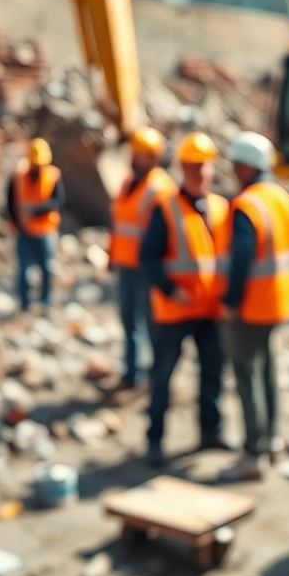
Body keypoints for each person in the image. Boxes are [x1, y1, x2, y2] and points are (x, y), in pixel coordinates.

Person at [137, 132, 234, 467]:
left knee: (212, 373)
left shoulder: (220, 207)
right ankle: (155, 441)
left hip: (209, 310)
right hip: (175, 311)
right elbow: (148, 257)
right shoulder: (166, 208)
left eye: (204, 166)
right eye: (193, 166)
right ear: (182, 169)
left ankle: (211, 431)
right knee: (163, 377)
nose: (199, 173)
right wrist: (170, 289)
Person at [217, 131, 289, 483]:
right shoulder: (282, 198)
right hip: (278, 300)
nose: (233, 170)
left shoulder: (248, 204)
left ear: (246, 166)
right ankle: (272, 440)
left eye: (236, 164)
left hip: (252, 304)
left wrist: (230, 302)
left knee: (247, 375)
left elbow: (242, 257)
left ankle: (253, 453)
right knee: (266, 369)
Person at [108, 127, 176, 394]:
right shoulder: (128, 183)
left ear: (153, 157)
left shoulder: (161, 187)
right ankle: (132, 375)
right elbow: (119, 222)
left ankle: (156, 379)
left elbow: (168, 232)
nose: (136, 158)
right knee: (129, 321)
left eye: (142, 154)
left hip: (148, 268)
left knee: (152, 324)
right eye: (135, 153)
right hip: (126, 264)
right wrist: (111, 254)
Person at [6, 138, 64, 313]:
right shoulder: (18, 176)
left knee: (46, 267)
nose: (38, 168)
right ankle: (24, 304)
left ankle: (45, 302)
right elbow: (10, 203)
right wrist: (18, 223)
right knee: (24, 269)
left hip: (45, 231)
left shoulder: (53, 175)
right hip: (24, 230)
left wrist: (36, 211)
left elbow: (58, 200)